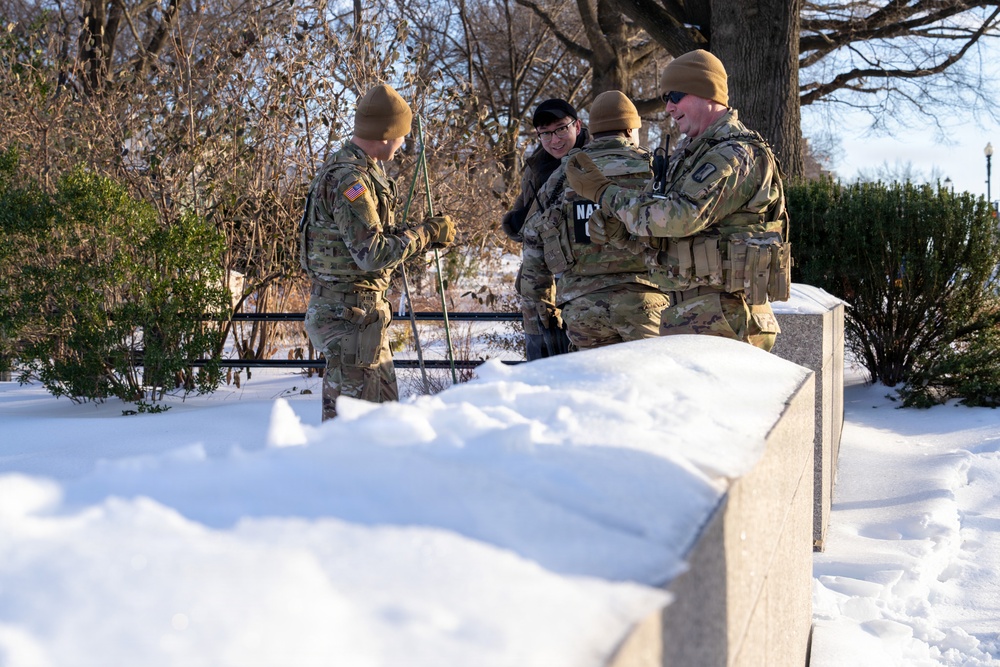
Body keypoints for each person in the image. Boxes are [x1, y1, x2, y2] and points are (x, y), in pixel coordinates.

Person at [564, 50, 790, 352]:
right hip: (693, 314)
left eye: (675, 96)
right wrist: (624, 235)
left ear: (704, 91)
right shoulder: (693, 154)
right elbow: (670, 242)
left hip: (728, 318)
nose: (668, 107)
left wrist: (605, 193)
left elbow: (681, 218)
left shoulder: (735, 154)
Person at [300, 84, 456, 420]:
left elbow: (369, 237)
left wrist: (420, 232)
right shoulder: (349, 179)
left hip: (361, 319)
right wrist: (427, 234)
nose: (403, 144)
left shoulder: (361, 170)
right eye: (402, 135)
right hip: (349, 320)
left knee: (382, 426)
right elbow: (371, 253)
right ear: (386, 134)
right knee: (351, 433)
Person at [519, 91, 671, 350]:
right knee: (652, 386)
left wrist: (540, 320)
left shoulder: (562, 176)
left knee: (596, 387)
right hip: (649, 301)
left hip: (583, 308)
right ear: (630, 128)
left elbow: (534, 245)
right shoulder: (655, 169)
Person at [501, 99, 589, 360]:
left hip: (580, 285)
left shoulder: (595, 160)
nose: (555, 140)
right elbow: (521, 219)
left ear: (578, 125)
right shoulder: (536, 166)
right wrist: (519, 222)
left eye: (561, 129)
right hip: (538, 287)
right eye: (546, 134)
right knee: (539, 362)